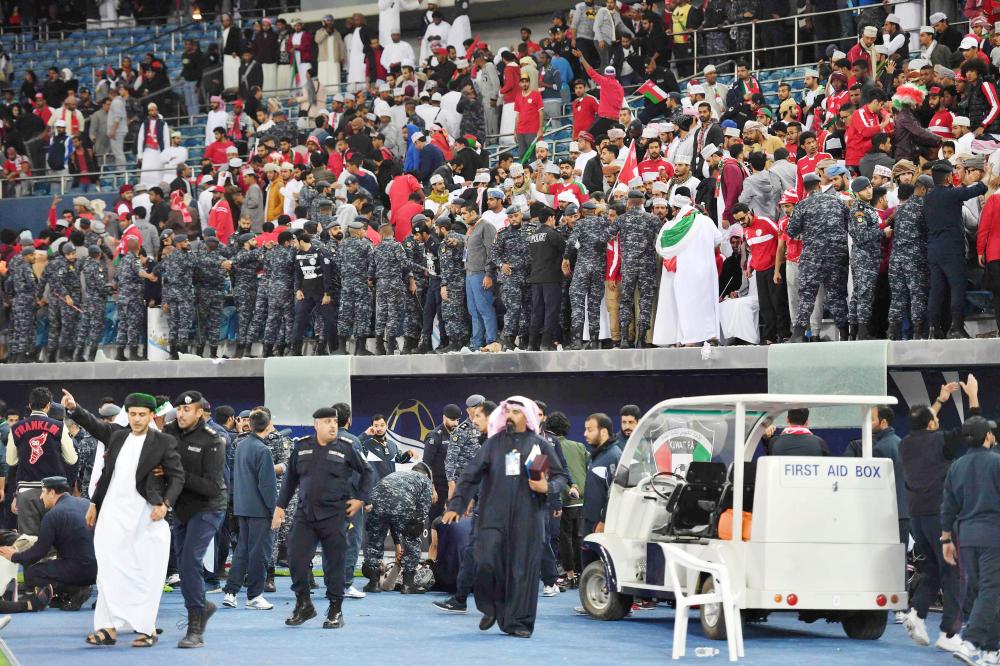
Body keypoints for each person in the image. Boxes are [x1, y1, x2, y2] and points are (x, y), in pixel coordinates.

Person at [62, 389, 185, 648]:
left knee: (144, 573)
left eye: (142, 414)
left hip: (146, 515)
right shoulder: (117, 437)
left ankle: (146, 628)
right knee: (108, 570)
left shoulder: (163, 442)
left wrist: (165, 505)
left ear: (152, 415)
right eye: (132, 414)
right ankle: (107, 629)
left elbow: (177, 477)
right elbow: (94, 427)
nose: (137, 419)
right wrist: (74, 408)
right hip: (112, 513)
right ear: (126, 415)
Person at [442, 397, 568, 638]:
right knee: (486, 562)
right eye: (507, 411)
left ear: (528, 417)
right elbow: (470, 475)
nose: (510, 416)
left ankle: (519, 623)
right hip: (492, 517)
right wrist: (456, 505)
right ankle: (490, 607)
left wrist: (548, 488)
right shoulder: (493, 444)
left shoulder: (540, 446)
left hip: (528, 518)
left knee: (523, 571)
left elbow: (560, 476)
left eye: (516, 412)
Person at [272, 407, 372, 629]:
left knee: (334, 564)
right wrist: (280, 506)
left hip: (335, 515)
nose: (333, 425)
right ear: (316, 424)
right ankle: (304, 604)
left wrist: (360, 500)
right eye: (327, 421)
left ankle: (335, 610)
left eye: (335, 421)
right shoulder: (302, 447)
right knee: (296, 558)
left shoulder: (347, 448)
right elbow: (289, 480)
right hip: (305, 514)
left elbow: (368, 472)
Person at [899, 377, 979, 653]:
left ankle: (917, 613)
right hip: (941, 518)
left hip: (917, 518)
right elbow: (973, 430)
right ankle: (949, 632)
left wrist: (941, 399)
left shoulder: (905, 443)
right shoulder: (942, 442)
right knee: (956, 574)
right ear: (932, 424)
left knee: (932, 569)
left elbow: (925, 423)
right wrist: (973, 397)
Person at [161, 390, 229, 648]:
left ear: (200, 412)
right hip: (181, 509)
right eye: (179, 409)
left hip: (209, 507)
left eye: (187, 410)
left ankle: (195, 628)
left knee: (189, 562)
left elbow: (212, 487)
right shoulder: (168, 432)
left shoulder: (214, 440)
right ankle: (203, 606)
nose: (181, 413)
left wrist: (175, 474)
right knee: (184, 562)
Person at [941, 413, 1000, 664]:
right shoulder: (997, 463)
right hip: (993, 536)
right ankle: (971, 642)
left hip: (966, 538)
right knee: (991, 591)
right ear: (988, 435)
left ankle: (991, 650)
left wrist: (946, 540)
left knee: (984, 593)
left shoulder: (956, 466)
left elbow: (948, 506)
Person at [0, 475, 96, 612]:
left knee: (32, 574)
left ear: (52, 493)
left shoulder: (53, 515)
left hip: (78, 570)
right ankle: (69, 592)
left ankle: (74, 590)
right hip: (98, 571)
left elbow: (38, 552)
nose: (40, 497)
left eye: (43, 492)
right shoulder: (86, 504)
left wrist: (14, 556)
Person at [223, 407, 277, 611]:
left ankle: (231, 592)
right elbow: (267, 485)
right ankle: (254, 596)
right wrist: (274, 510)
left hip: (242, 507)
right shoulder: (263, 450)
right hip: (260, 510)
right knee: (260, 554)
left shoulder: (242, 445)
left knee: (242, 552)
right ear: (269, 425)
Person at [6, 387, 78, 536]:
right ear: (48, 405)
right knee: (55, 539)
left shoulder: (16, 428)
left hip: (26, 492)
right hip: (53, 492)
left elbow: (11, 461)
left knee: (28, 542)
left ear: (30, 405)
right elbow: (72, 459)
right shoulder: (59, 426)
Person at [361, 462, 434, 594]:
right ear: (428, 476)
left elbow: (392, 517)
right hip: (402, 503)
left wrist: (397, 543)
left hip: (375, 501)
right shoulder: (425, 481)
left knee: (374, 542)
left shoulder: (397, 475)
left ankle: (374, 583)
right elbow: (421, 514)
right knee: (412, 538)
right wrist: (414, 526)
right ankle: (408, 585)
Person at [581, 413, 618, 535]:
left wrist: (604, 521)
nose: (585, 434)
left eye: (589, 430)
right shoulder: (597, 455)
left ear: (603, 432)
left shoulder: (614, 456)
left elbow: (616, 493)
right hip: (590, 522)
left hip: (601, 525)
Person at [423, 404, 461, 522]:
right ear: (444, 418)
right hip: (439, 487)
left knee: (454, 522)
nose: (455, 423)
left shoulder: (459, 435)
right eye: (452, 420)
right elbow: (425, 465)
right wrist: (431, 489)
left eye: (457, 420)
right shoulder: (435, 436)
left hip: (455, 486)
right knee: (436, 521)